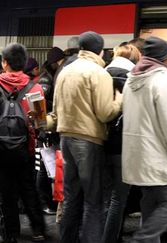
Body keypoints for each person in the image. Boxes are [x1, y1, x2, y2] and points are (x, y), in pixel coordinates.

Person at [50, 31, 123, 243]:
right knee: (93, 200)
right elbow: (105, 112)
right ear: (100, 50)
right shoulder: (99, 73)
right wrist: (120, 100)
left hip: (66, 138)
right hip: (88, 141)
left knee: (71, 197)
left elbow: (56, 111)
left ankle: (68, 239)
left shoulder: (65, 71)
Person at [122, 36, 167, 243]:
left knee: (150, 204)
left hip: (137, 158)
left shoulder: (132, 79)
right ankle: (143, 238)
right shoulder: (164, 80)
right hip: (158, 158)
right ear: (166, 58)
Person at [0, 43, 47, 243]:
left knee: (6, 191)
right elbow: (40, 123)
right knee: (29, 189)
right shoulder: (35, 87)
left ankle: (11, 232)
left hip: (0, 150)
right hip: (25, 149)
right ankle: (38, 229)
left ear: (5, 63)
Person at [102, 43, 141, 243]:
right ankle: (110, 238)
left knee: (104, 197)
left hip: (100, 142)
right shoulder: (134, 78)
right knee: (119, 198)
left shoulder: (101, 74)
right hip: (124, 145)